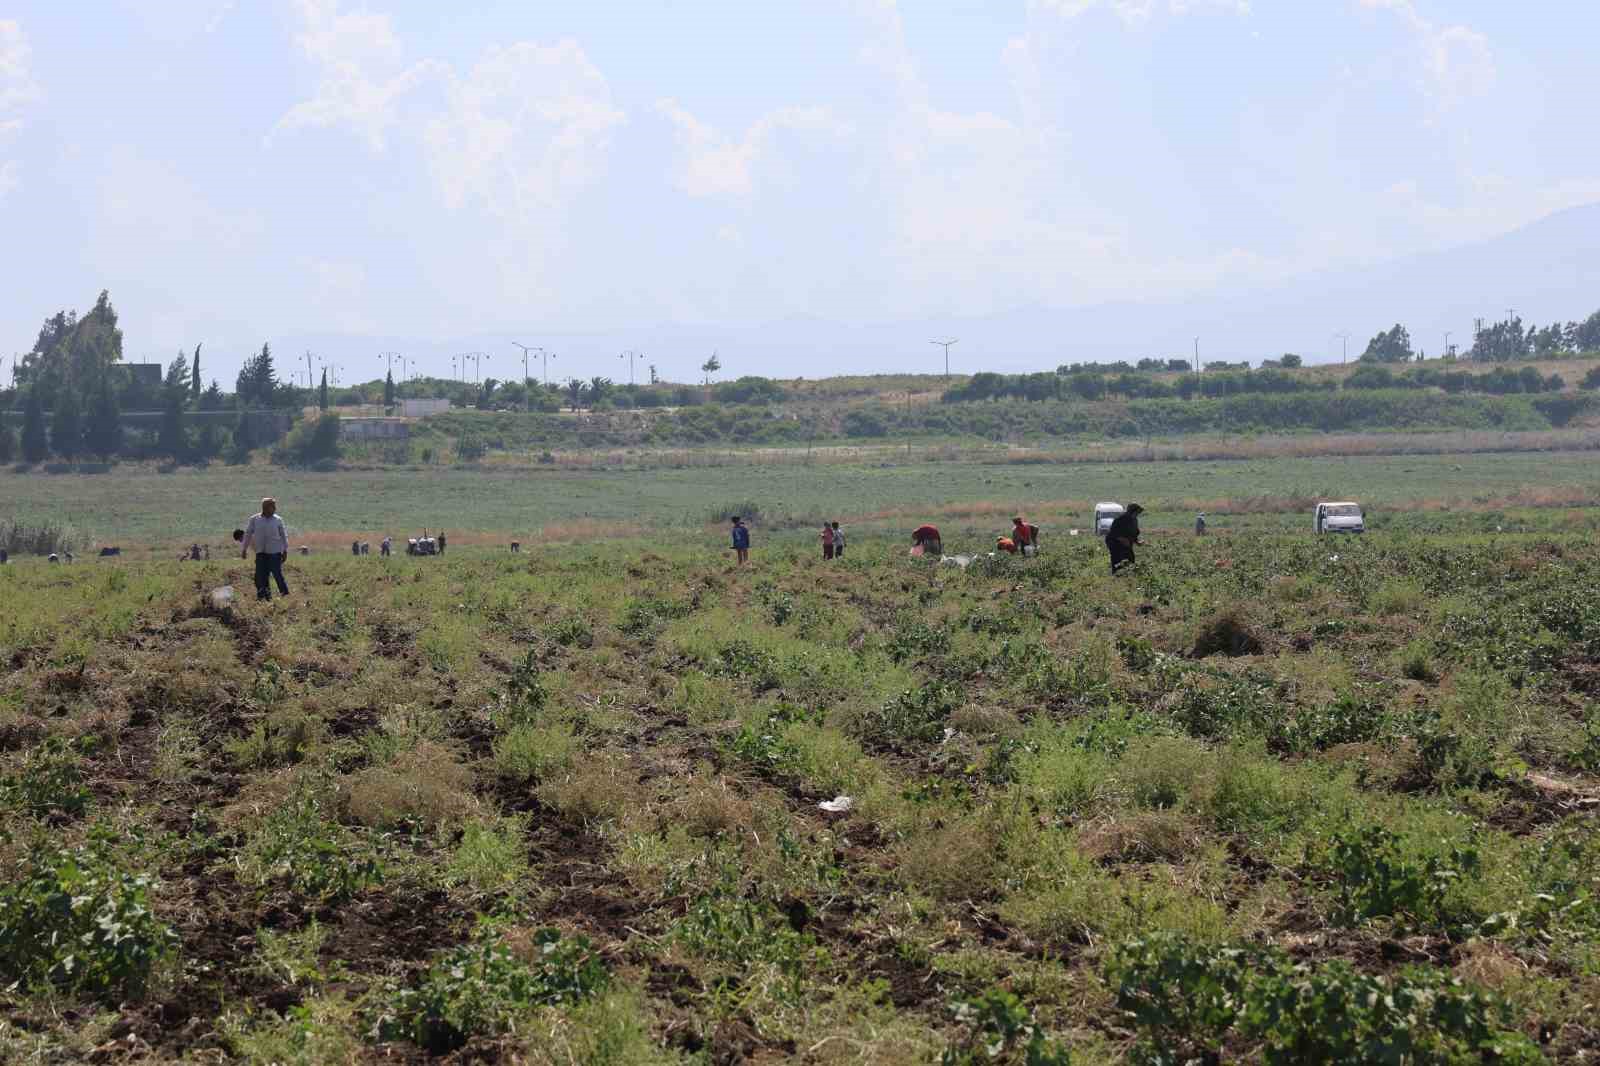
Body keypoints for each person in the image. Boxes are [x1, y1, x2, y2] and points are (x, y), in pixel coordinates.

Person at [240, 497, 290, 601]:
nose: (275, 509)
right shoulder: (254, 519)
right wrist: (244, 549)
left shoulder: (278, 520)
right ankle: (264, 598)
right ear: (265, 507)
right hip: (260, 553)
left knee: (278, 575)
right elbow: (248, 534)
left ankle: (285, 596)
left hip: (275, 553)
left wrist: (285, 550)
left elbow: (284, 535)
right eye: (273, 506)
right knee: (260, 577)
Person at [1106, 503, 1144, 575]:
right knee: (1117, 559)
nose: (1137, 514)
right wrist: (1122, 539)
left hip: (1126, 543)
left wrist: (1137, 542)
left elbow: (1134, 533)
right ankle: (1116, 576)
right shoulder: (1120, 519)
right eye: (1136, 512)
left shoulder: (1134, 520)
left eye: (1138, 512)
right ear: (1131, 512)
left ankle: (1128, 575)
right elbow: (1113, 532)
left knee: (1130, 558)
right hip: (1114, 542)